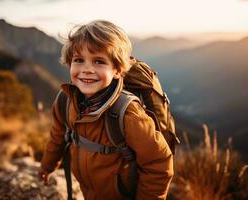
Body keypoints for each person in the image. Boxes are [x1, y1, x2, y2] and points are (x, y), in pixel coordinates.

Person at [38, 20, 174, 200]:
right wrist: (47, 166)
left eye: (99, 62)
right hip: (89, 191)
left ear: (117, 70)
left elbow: (158, 163)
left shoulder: (127, 113)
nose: (87, 69)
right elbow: (58, 137)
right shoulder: (65, 101)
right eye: (79, 60)